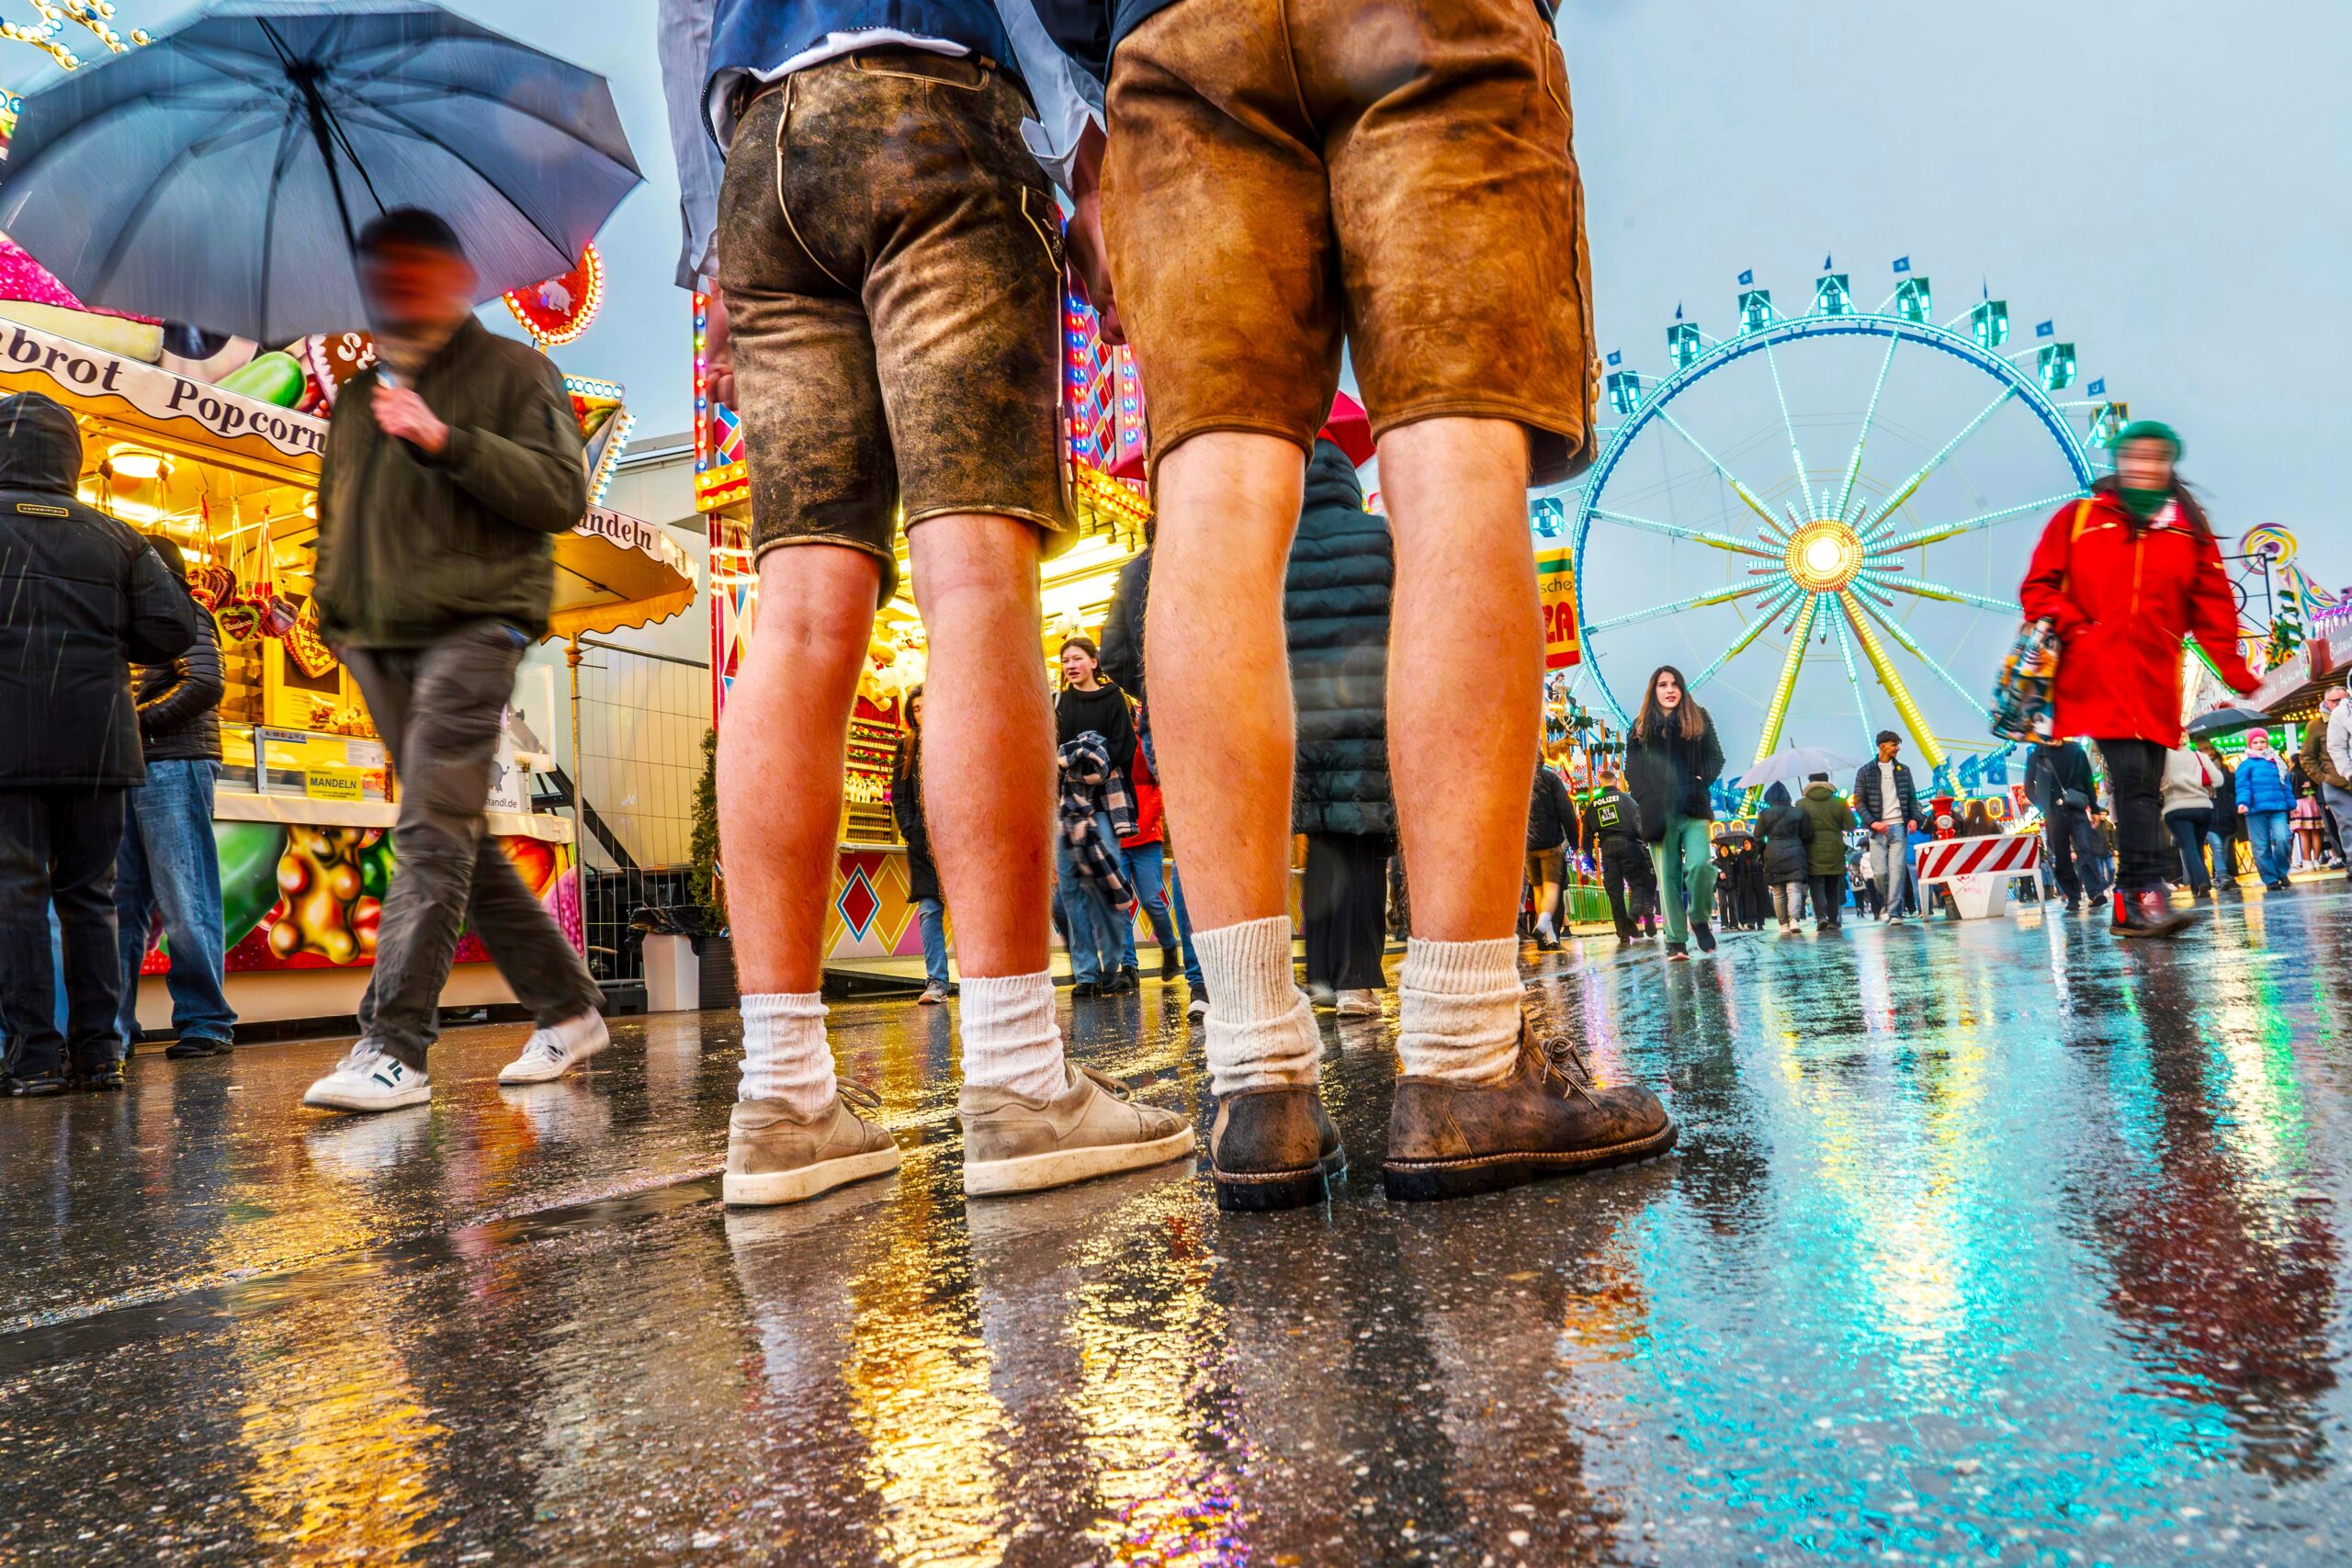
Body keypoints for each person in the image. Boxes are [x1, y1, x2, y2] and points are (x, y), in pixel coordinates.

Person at [1036, 0, 1672, 1210]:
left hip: (1173, 32)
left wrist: (1093, 111)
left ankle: (1255, 1075)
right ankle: (1466, 1055)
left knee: (1212, 495)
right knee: (1450, 457)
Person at [661, 2, 1191, 1204]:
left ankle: (783, 1098)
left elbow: (686, 15)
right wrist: (1086, 148)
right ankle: (1014, 1078)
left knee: (795, 607)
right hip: (932, 104)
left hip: (759, 149)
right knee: (976, 585)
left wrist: (712, 244)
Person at [301, 209, 611, 1112]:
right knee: (458, 840)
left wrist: (446, 439)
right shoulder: (356, 401)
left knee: (431, 832)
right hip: (377, 642)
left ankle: (392, 1044)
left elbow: (561, 492)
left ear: (453, 278)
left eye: (411, 270)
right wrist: (330, 621)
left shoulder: (518, 370)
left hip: (479, 624)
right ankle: (569, 1004)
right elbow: (339, 525)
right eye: (379, 273)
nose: (393, 288)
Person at [0, 391, 201, 1097]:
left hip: (9, 745)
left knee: (15, 895)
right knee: (91, 895)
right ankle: (99, 1055)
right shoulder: (118, 536)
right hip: (101, 746)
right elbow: (174, 632)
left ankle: (32, 1059)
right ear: (71, 459)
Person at [2019, 422, 2258, 937]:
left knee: (2147, 787)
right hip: (2097, 674)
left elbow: (2213, 603)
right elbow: (2038, 587)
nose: (2145, 466)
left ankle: (2135, 900)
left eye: (2157, 458)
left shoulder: (2184, 531)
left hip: (2155, 678)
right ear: (2122, 462)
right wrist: (2078, 626)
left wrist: (2233, 667)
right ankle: (2141, 893)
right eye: (2136, 457)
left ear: (2169, 465)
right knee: (2132, 782)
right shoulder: (2081, 519)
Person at [115, 541, 238, 1062]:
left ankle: (206, 1021)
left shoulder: (183, 610)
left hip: (173, 761)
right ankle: (114, 1027)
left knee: (184, 898)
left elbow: (206, 683)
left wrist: (128, 726)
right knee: (124, 905)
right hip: (140, 764)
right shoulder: (149, 619)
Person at [1285, 433, 1395, 1015]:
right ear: (1350, 484)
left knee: (1322, 849)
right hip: (1370, 713)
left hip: (1305, 719)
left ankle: (1321, 976)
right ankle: (1358, 980)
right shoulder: (1379, 537)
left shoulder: (1281, 544)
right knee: (1365, 851)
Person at [1054, 636, 1140, 997]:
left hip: (1106, 804)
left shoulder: (1114, 699)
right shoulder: (1060, 703)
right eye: (1065, 661)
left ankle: (1123, 964)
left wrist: (1085, 759)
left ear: (1093, 661)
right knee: (1071, 887)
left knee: (1109, 882)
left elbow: (1124, 747)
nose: (1071, 665)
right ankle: (1087, 973)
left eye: (1077, 658)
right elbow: (1051, 749)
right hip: (1070, 806)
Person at [1625, 666, 1725, 960]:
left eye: (1675, 684)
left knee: (1701, 866)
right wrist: (1646, 796)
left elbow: (1716, 757)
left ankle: (1699, 917)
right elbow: (1632, 768)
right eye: (1662, 684)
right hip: (1659, 809)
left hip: (1693, 805)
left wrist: (1701, 779)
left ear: (1682, 689)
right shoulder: (1640, 726)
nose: (1669, 689)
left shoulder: (1699, 719)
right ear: (1653, 690)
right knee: (1667, 876)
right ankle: (1676, 940)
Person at [892, 690, 952, 1005]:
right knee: (929, 910)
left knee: (968, 913)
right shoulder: (907, 746)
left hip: (956, 841)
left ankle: (978, 976)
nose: (922, 712)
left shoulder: (956, 739)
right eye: (916, 708)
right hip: (922, 841)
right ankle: (937, 981)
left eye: (926, 705)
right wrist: (911, 829)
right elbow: (898, 795)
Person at [2028, 739, 2106, 912]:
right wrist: (2045, 804)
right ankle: (2076, 896)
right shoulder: (2038, 755)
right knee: (2065, 854)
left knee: (2082, 850)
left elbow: (2087, 780)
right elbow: (2028, 787)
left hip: (2072, 807)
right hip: (2058, 810)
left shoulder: (2068, 751)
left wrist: (2093, 808)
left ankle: (2091, 893)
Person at [1851, 730, 1920, 923]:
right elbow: (1859, 802)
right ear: (1882, 746)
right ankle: (1887, 903)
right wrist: (1872, 822)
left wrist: (1913, 818)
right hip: (1877, 829)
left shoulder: (1903, 770)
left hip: (1898, 825)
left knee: (1897, 870)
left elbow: (1912, 798)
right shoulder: (1865, 772)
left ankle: (1895, 912)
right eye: (1894, 744)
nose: (1898, 748)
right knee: (1880, 872)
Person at [1586, 771, 1650, 942]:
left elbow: (1586, 833)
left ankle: (1622, 932)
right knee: (1637, 883)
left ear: (1601, 783)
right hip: (1629, 845)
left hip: (1607, 848)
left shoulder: (1594, 805)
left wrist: (1588, 855)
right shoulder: (1627, 799)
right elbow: (1639, 822)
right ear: (1616, 782)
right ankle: (1633, 915)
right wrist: (1644, 842)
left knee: (1615, 891)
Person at [2233, 728, 2296, 891]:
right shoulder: (2245, 765)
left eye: (2262, 741)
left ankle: (2281, 871)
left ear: (2267, 743)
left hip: (2278, 807)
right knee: (2261, 845)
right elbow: (2242, 786)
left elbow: (2286, 786)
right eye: (2255, 742)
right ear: (2250, 744)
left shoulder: (2277, 762)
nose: (2260, 745)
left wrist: (2292, 806)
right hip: (2255, 809)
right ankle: (2270, 878)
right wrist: (2243, 802)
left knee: (2283, 839)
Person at [1524, 759, 1575, 952]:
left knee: (1538, 890)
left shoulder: (1521, 781)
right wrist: (1573, 839)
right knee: (1552, 890)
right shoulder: (1550, 779)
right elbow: (1565, 809)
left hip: (1529, 846)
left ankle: (1548, 936)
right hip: (1550, 844)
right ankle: (1545, 923)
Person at [1796, 773, 1855, 931]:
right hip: (1835, 849)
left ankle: (1821, 917)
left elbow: (1798, 829)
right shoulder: (1839, 803)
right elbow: (1851, 825)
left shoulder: (1802, 804)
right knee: (1832, 887)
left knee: (1816, 888)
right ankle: (1834, 920)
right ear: (1827, 782)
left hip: (1811, 850)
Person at [1755, 782, 1812, 933]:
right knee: (1794, 888)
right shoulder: (1798, 812)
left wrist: (1761, 851)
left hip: (1773, 851)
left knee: (1778, 891)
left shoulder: (1764, 814)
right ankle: (1794, 920)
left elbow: (1757, 837)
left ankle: (1783, 925)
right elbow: (1807, 834)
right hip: (1795, 850)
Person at [2160, 745, 2218, 894]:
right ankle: (2195, 885)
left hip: (2177, 807)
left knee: (2189, 847)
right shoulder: (2199, 757)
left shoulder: (2164, 758)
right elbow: (2219, 780)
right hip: (2203, 806)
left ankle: (2202, 880)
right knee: (2196, 847)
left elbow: (2159, 784)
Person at [2199, 743, 2241, 890]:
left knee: (2224, 846)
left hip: (2225, 812)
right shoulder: (2198, 769)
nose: (2208, 752)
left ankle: (2221, 876)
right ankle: (2222, 875)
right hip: (2208, 812)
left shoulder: (2224, 768)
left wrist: (2231, 774)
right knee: (2216, 845)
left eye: (2209, 748)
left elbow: (2232, 788)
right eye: (2204, 749)